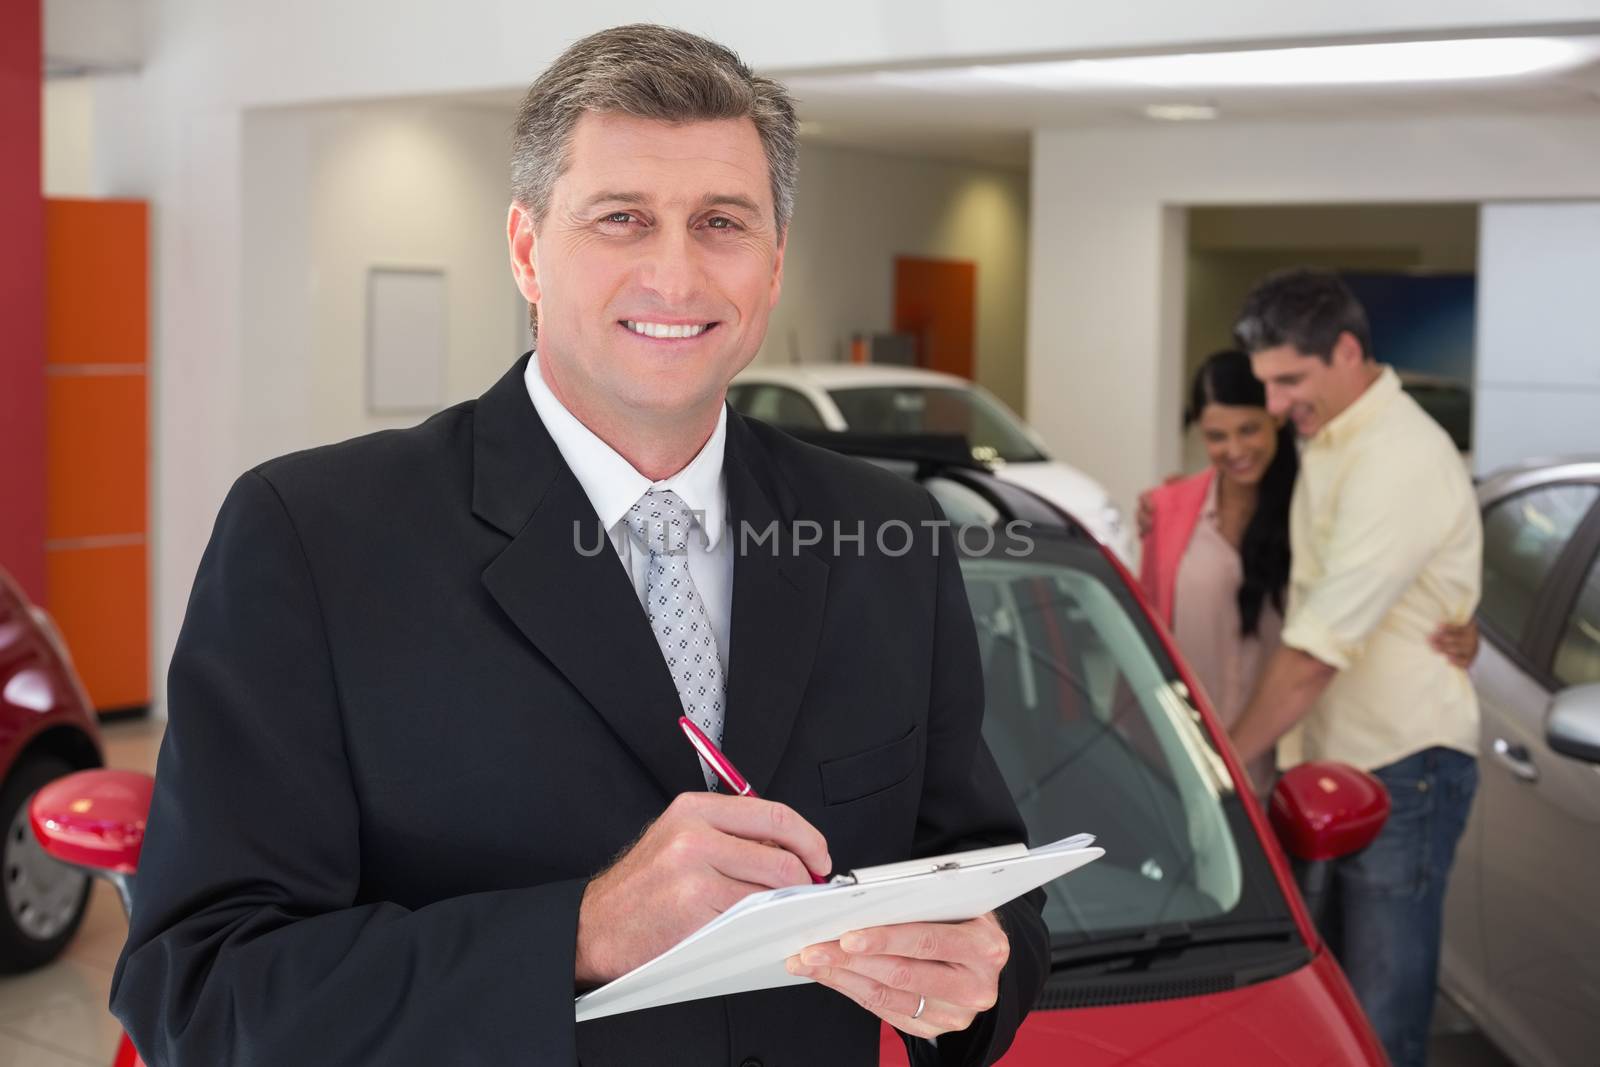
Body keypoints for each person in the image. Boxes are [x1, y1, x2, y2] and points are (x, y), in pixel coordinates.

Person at [110, 25, 1046, 1067]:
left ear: (774, 261)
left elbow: (986, 878)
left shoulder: (886, 534)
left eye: (721, 221)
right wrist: (584, 931)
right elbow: (200, 990)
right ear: (525, 249)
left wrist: (980, 975)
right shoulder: (312, 538)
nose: (675, 273)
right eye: (622, 218)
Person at [1226, 269, 1482, 1067]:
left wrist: (1222, 768)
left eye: (1289, 380)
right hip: (1334, 764)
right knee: (1328, 1017)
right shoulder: (1330, 436)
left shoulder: (1398, 456)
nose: (1274, 405)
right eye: (1266, 383)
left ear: (1346, 351)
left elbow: (1314, 650)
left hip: (1403, 768)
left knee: (1379, 1022)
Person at [1139, 351, 1478, 794]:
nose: (1236, 450)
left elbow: (1383, 582)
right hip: (1188, 758)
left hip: (1287, 763)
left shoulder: (1318, 507)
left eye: (1249, 429)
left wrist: (1463, 625)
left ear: (1276, 418)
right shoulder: (1167, 510)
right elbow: (1143, 636)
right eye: (1216, 436)